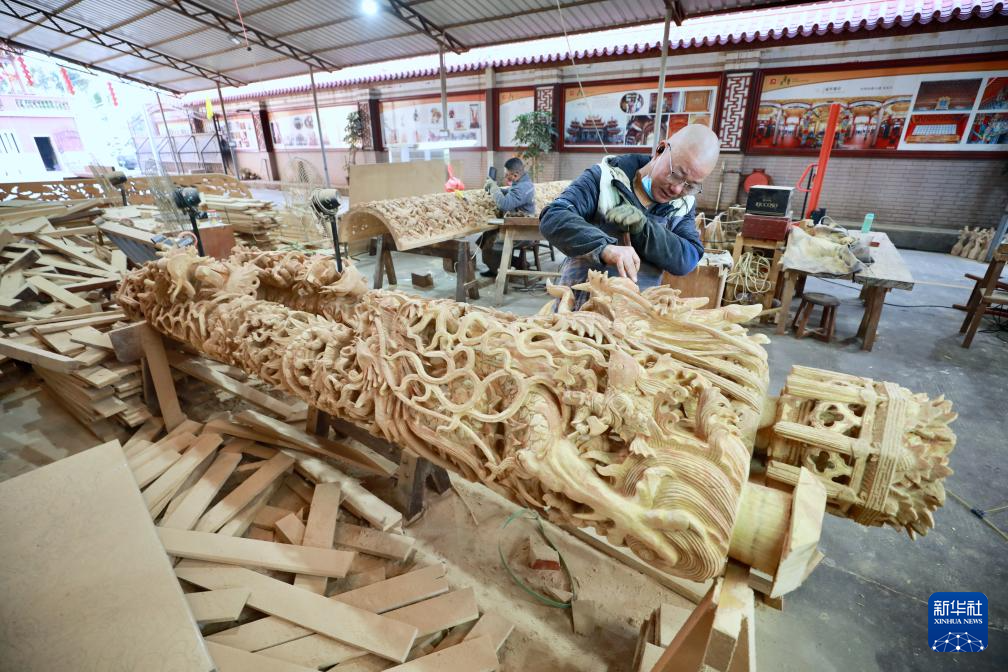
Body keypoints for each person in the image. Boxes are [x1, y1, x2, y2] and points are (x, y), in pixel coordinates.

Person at [539, 124, 719, 308]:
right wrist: (603, 247)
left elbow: (688, 258)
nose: (677, 189)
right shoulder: (604, 179)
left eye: (691, 186)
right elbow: (553, 216)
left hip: (638, 313)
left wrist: (644, 229)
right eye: (675, 174)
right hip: (581, 308)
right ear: (660, 150)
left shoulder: (681, 205)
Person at [479, 157, 537, 276]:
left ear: (516, 174)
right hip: (517, 224)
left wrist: (494, 188)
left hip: (523, 231)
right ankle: (510, 264)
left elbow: (504, 205)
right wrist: (499, 190)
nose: (506, 177)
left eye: (507, 175)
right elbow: (511, 193)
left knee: (492, 242)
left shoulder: (522, 187)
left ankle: (499, 271)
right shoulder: (523, 181)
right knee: (485, 236)